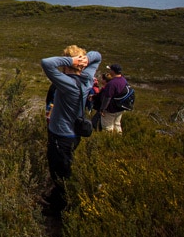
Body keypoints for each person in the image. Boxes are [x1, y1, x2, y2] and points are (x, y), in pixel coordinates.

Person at [41, 45, 102, 215]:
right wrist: (86, 60)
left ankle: (59, 210)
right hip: (73, 135)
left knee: (60, 174)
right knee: (64, 168)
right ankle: (57, 200)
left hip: (60, 136)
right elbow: (97, 55)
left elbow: (46, 63)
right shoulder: (87, 78)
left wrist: (72, 61)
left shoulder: (68, 84)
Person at [99, 64, 127, 133]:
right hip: (120, 108)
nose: (109, 71)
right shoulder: (123, 80)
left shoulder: (112, 83)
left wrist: (102, 109)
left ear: (113, 71)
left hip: (110, 109)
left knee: (107, 127)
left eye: (110, 70)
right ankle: (118, 139)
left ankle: (108, 140)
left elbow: (107, 97)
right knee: (117, 124)